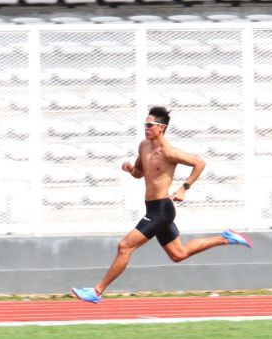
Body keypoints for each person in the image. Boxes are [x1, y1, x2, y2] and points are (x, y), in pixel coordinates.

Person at [72, 106, 252, 304]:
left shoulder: (169, 152)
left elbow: (199, 163)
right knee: (178, 254)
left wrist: (184, 188)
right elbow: (139, 173)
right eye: (145, 124)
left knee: (124, 246)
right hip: (153, 209)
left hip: (162, 210)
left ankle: (96, 292)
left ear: (161, 128)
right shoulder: (144, 146)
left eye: (150, 125)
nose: (146, 128)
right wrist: (131, 169)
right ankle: (226, 238)